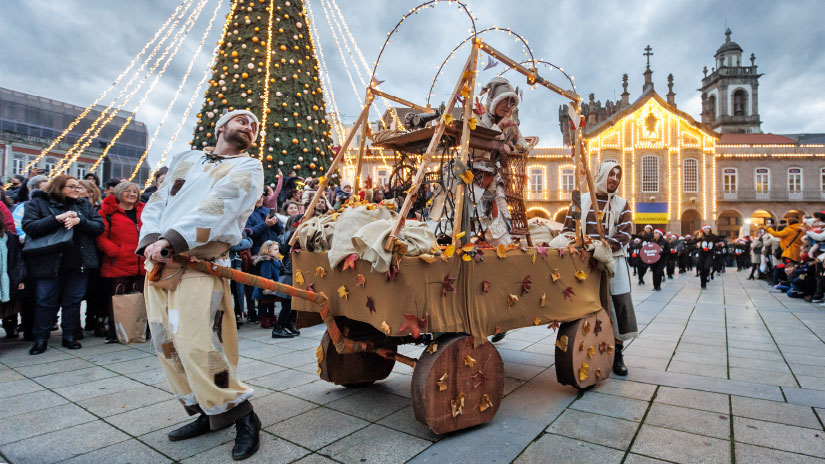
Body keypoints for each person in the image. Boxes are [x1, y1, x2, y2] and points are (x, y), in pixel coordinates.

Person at [138, 109, 264, 460]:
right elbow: (159, 201)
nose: (249, 127)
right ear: (221, 126)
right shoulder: (187, 159)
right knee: (166, 342)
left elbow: (220, 206)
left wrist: (172, 240)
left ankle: (243, 416)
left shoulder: (248, 167)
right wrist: (150, 239)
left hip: (199, 262)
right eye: (242, 120)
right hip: (159, 261)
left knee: (196, 343)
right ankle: (207, 412)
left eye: (254, 126)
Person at [563, 161, 636, 376]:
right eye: (610, 174)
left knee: (617, 305)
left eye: (618, 175)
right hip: (585, 262)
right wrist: (584, 245)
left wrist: (602, 248)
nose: (614, 179)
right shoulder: (581, 199)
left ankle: (618, 352)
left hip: (613, 260)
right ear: (602, 175)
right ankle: (586, 351)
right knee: (585, 305)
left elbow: (625, 234)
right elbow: (568, 229)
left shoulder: (623, 204)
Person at [23, 175, 104, 355]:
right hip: (48, 262)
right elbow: (29, 226)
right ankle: (40, 339)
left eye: (77, 187)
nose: (77, 190)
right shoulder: (38, 203)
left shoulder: (83, 204)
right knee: (45, 301)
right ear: (59, 187)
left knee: (73, 301)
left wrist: (80, 221)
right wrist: (57, 218)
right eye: (72, 186)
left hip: (78, 261)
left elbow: (99, 226)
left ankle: (69, 336)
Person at [96, 182, 145, 344]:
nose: (132, 194)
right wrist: (115, 251)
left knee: (140, 296)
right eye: (127, 191)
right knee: (117, 297)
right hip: (118, 261)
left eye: (135, 191)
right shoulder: (108, 212)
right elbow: (101, 237)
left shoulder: (144, 211)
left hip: (141, 262)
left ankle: (137, 329)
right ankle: (114, 330)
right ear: (118, 193)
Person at [0, 214, 25, 339]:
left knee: (9, 305)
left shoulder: (9, 238)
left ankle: (11, 325)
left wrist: (20, 279)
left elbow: (16, 261)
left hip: (7, 277)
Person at [251, 240, 282, 330]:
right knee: (264, 304)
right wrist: (269, 284)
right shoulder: (266, 262)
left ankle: (271, 317)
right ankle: (265, 320)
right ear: (268, 251)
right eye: (275, 249)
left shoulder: (276, 260)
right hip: (265, 287)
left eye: (278, 249)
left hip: (272, 286)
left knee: (271, 303)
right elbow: (266, 276)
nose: (278, 251)